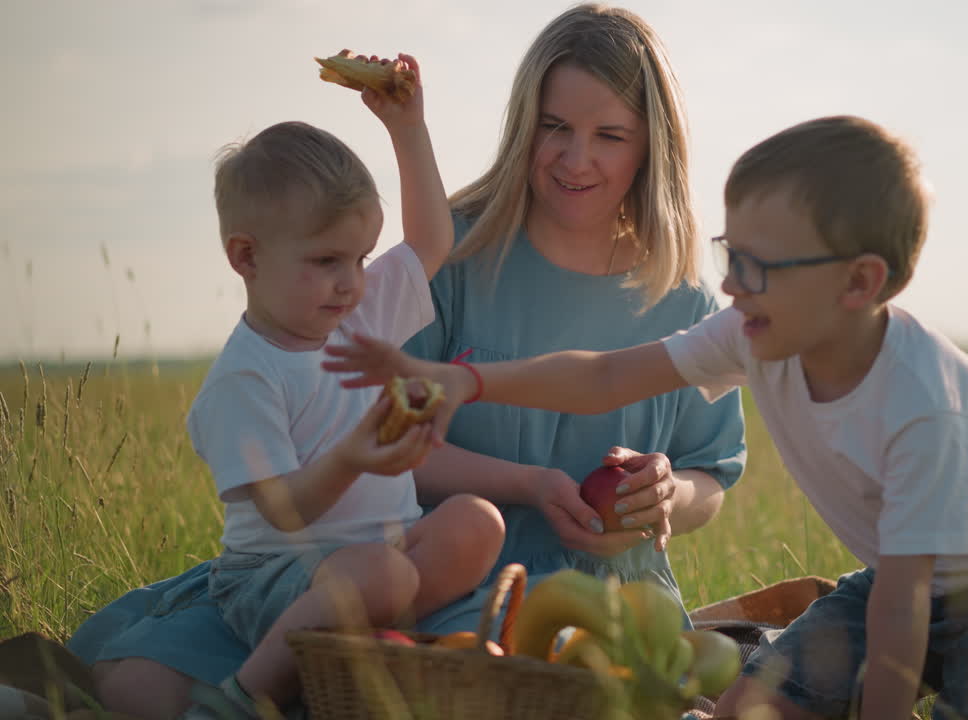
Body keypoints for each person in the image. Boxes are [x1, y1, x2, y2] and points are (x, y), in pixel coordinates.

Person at [324, 115, 968, 720]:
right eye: (732, 256)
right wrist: (466, 383)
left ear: (860, 285)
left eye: (757, 266)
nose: (730, 286)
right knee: (749, 706)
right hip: (906, 577)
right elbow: (609, 375)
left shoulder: (922, 406)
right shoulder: (762, 331)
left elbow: (903, 611)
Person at [68, 5, 746, 718]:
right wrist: (529, 483)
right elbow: (379, 440)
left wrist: (669, 496)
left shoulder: (687, 297)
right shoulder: (458, 253)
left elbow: (714, 473)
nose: (576, 159)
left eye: (609, 135)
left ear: (653, 146)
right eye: (554, 127)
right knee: (135, 689)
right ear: (524, 124)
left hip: (596, 593)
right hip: (422, 561)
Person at [178, 56, 506, 718]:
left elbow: (431, 241)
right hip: (275, 576)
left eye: (359, 259)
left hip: (381, 553)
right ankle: (240, 698)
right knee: (382, 574)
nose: (351, 280)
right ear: (247, 257)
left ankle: (368, 642)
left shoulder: (357, 314)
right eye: (327, 261)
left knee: (476, 522)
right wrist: (355, 455)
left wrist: (407, 128)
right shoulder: (247, 375)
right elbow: (284, 512)